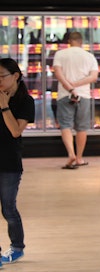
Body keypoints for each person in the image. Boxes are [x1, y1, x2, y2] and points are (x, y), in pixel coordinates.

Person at [0, 58, 33, 265]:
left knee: (8, 208)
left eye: (1, 76)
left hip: (9, 162)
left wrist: (4, 106)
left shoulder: (25, 101)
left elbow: (15, 131)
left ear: (15, 76)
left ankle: (17, 247)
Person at [52, 31, 99, 170]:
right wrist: (77, 85)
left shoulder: (60, 54)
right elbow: (93, 77)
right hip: (83, 95)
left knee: (65, 125)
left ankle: (70, 154)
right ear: (81, 42)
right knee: (82, 127)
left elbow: (58, 74)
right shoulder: (89, 56)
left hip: (64, 94)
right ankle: (79, 158)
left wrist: (69, 87)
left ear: (69, 41)